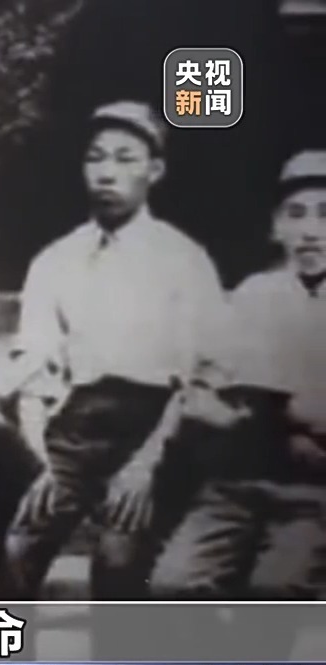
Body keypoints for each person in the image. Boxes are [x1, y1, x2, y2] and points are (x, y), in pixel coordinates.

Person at [0, 101, 228, 603]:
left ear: (154, 171)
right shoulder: (56, 259)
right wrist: (40, 461)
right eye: (96, 158)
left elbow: (198, 379)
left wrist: (146, 468)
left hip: (157, 429)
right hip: (74, 429)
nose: (107, 173)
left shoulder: (183, 260)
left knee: (118, 560)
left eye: (125, 159)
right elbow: (32, 369)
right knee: (15, 547)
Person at [147, 150, 326, 656]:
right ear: (276, 228)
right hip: (238, 484)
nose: (310, 231)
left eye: (325, 215)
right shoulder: (256, 295)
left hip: (313, 493)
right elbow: (207, 394)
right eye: (296, 215)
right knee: (173, 586)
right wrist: (269, 415)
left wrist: (272, 408)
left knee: (272, 593)